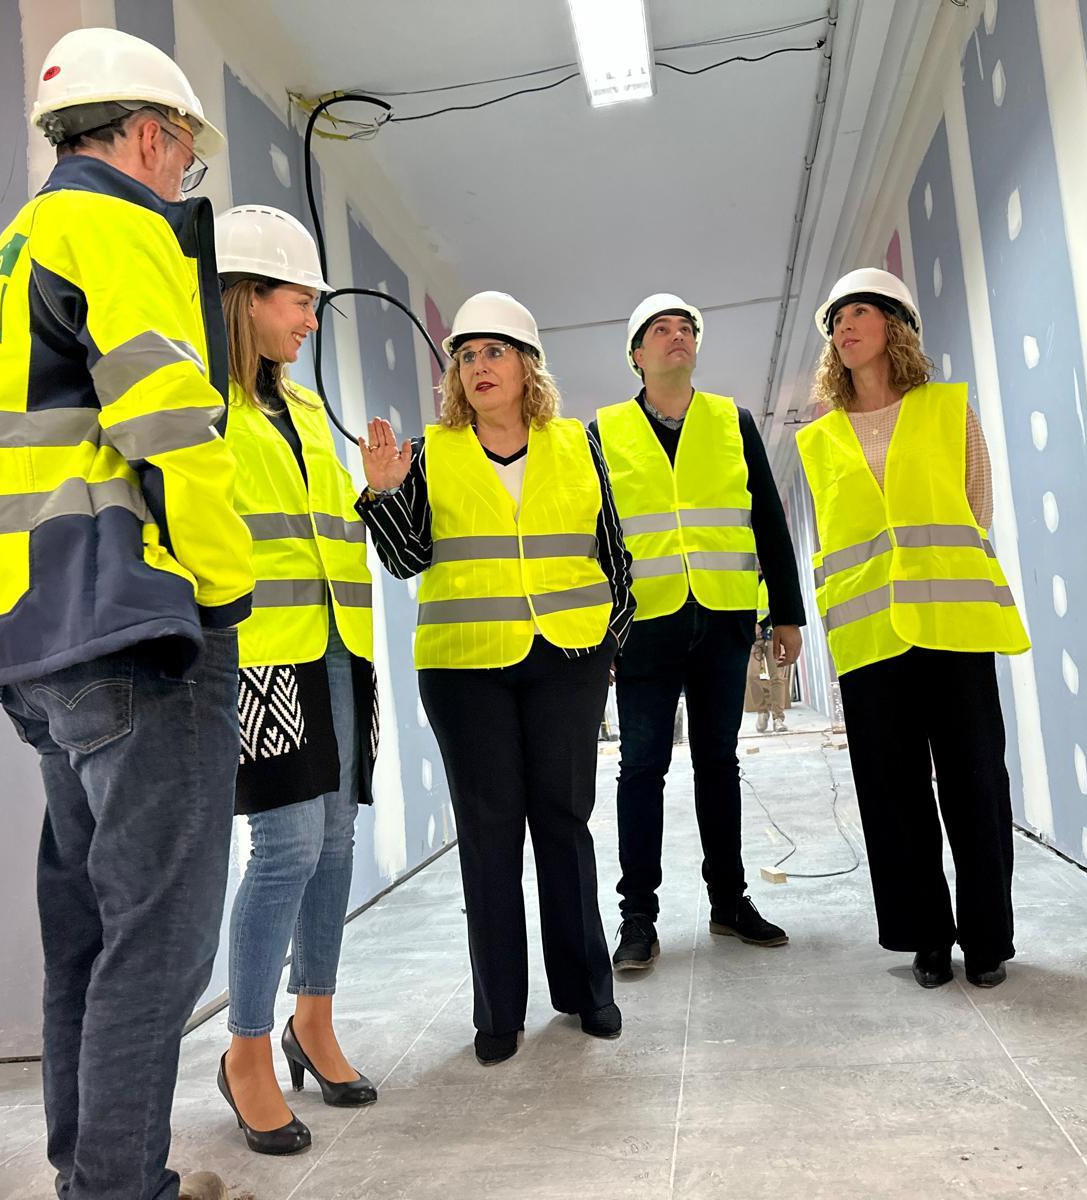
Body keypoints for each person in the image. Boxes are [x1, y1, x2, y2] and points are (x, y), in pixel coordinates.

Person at [0, 28, 248, 1200]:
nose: (182, 182)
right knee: (160, 935)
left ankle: (90, 1168)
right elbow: (171, 422)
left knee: (85, 925)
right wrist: (223, 590)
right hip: (124, 623)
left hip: (24, 638)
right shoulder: (116, 225)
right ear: (152, 137)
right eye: (183, 159)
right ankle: (121, 1186)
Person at [355, 292, 633, 1065]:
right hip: (465, 667)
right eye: (467, 355)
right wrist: (382, 491)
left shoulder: (579, 444)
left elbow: (614, 552)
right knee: (489, 835)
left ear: (527, 364)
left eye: (495, 352)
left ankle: (588, 992)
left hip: (570, 658)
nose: (479, 367)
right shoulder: (428, 451)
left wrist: (610, 643)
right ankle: (496, 1013)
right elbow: (409, 559)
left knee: (563, 823)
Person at [795, 268, 1030, 990]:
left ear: (895, 326)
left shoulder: (946, 408)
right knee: (892, 793)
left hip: (952, 624)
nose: (845, 327)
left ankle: (987, 937)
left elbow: (976, 505)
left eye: (860, 312)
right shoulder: (818, 439)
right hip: (869, 641)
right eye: (836, 320)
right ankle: (927, 937)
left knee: (975, 782)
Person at [213, 205, 379, 1157]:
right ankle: (244, 1053)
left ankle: (311, 1021)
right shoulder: (201, 404)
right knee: (284, 849)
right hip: (258, 655)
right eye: (299, 301)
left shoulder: (306, 407)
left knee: (335, 844)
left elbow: (325, 526)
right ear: (245, 299)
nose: (312, 320)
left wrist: (380, 491)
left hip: (337, 646)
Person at [593, 294, 806, 973]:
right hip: (644, 630)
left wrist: (788, 615)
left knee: (719, 763)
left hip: (721, 619)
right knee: (641, 770)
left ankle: (729, 902)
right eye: (661, 329)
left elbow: (768, 520)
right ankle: (637, 919)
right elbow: (592, 540)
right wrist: (598, 632)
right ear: (637, 354)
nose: (677, 336)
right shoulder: (602, 432)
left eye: (687, 328)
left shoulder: (731, 421)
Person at [748, 576, 789, 733]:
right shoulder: (745, 578)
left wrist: (761, 625)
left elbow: (778, 604)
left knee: (776, 677)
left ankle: (778, 717)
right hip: (752, 637)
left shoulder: (772, 578)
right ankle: (762, 711)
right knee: (751, 676)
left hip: (771, 634)